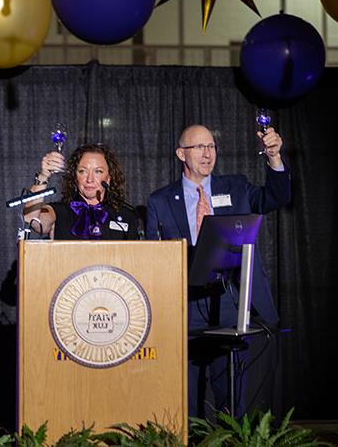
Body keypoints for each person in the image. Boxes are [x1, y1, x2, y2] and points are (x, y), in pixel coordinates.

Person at [146, 124, 291, 418]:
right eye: (199, 147)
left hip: (230, 301)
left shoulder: (235, 187)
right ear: (180, 154)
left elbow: (276, 198)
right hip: (185, 303)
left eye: (211, 146)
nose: (207, 153)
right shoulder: (160, 201)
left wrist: (274, 159)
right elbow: (153, 256)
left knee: (230, 392)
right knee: (188, 396)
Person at [24, 143, 140, 240]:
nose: (89, 179)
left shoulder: (125, 216)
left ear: (108, 179)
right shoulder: (59, 211)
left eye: (98, 171)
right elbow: (32, 219)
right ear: (75, 177)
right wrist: (43, 176)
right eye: (82, 171)